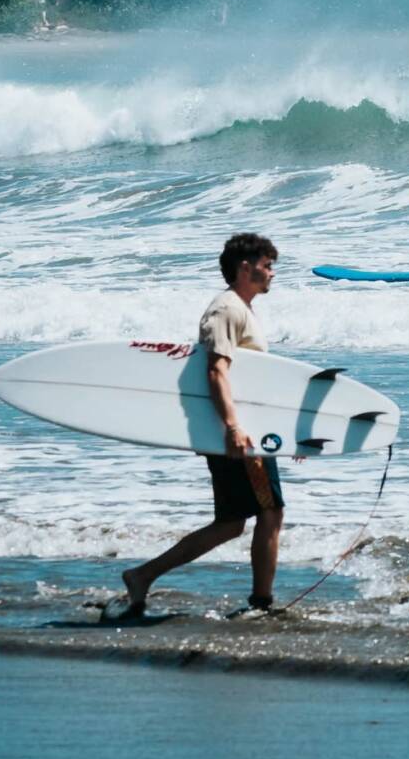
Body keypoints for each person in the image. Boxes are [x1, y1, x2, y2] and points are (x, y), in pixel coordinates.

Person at [120, 233, 286, 614]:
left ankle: (142, 576)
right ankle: (262, 603)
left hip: (240, 430)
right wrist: (231, 427)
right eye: (267, 265)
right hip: (236, 434)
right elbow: (216, 372)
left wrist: (285, 436)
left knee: (231, 523)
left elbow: (249, 383)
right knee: (270, 513)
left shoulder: (240, 309)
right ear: (246, 268)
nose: (272, 273)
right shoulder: (226, 309)